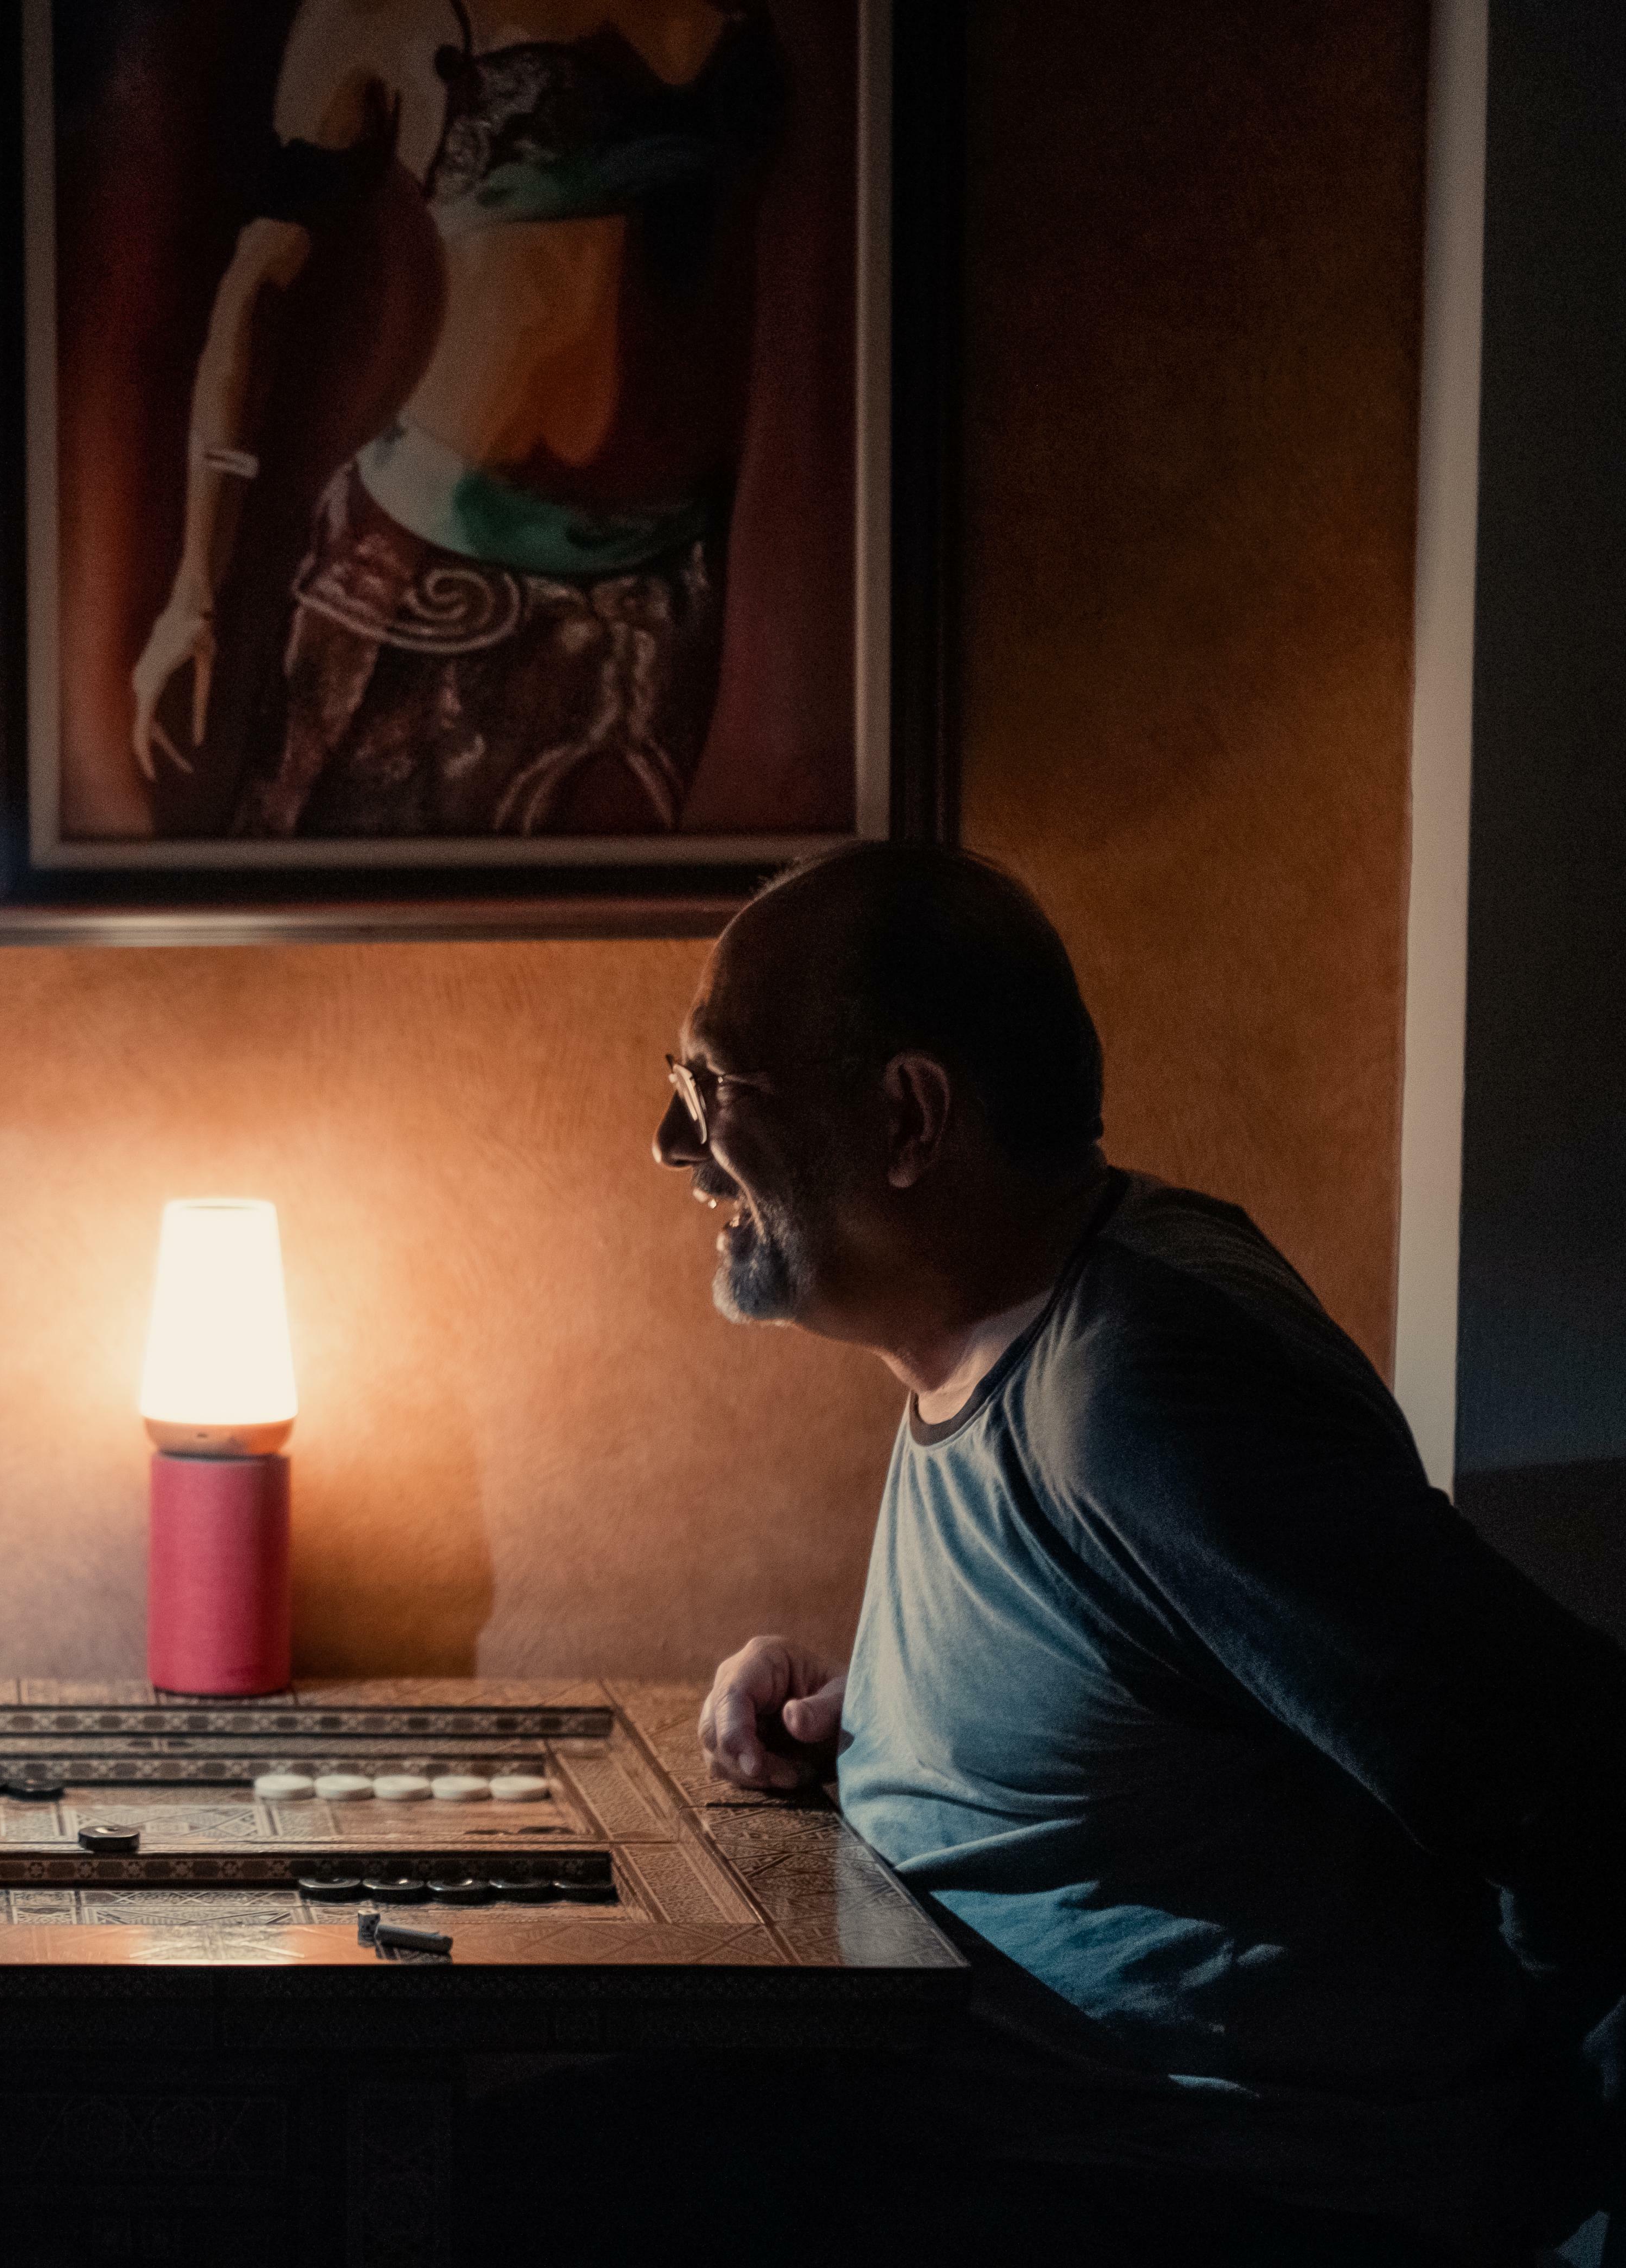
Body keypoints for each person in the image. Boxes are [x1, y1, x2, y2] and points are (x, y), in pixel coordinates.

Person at [665, 841, 1621, 2263]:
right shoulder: (990, 1329)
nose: (675, 1154)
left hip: (1175, 2185)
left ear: (909, 1121)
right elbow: (1153, 1698)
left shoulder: (1139, 1390)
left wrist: (1483, 2156)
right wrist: (869, 1723)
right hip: (1019, 2119)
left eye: (707, 1095)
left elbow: (1569, 1781)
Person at [126, 0, 785, 838]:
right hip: (418, 577)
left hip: (663, 589)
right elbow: (255, 293)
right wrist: (194, 589)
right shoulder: (370, 15)